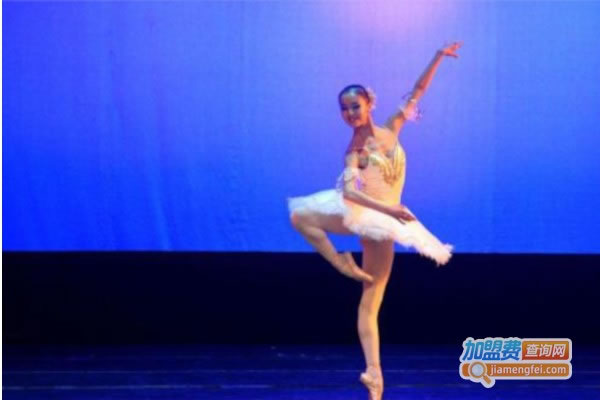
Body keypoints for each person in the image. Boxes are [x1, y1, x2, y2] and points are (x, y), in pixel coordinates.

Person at [288, 42, 462, 399]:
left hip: (387, 219)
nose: (350, 113)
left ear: (369, 103)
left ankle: (374, 375)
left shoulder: (391, 129)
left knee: (371, 301)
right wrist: (389, 211)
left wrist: (438, 56)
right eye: (344, 109)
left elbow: (417, 90)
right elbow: (350, 195)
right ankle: (341, 263)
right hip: (373, 216)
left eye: (355, 106)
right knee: (299, 215)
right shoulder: (355, 150)